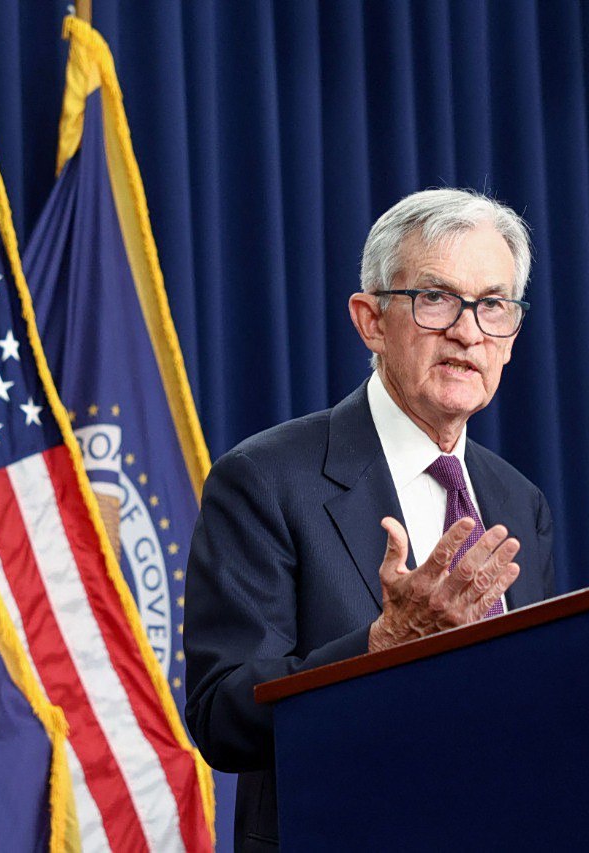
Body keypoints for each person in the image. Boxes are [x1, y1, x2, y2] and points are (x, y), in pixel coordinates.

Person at [184, 188, 556, 851]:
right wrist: (381, 645)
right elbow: (222, 716)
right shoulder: (264, 479)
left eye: (493, 305)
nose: (468, 331)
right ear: (371, 321)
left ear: (512, 335)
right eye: (436, 298)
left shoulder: (519, 500)